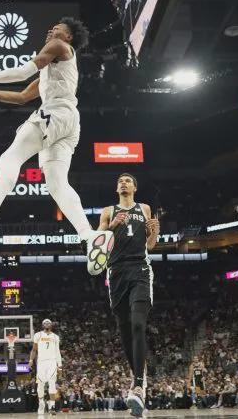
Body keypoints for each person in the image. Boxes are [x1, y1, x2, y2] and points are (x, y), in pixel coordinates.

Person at [0, 18, 114, 267]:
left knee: (10, 157)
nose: (51, 30)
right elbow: (21, 97)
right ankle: (90, 236)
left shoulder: (59, 46)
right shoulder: (55, 66)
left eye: (58, 28)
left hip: (55, 113)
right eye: (51, 27)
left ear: (69, 37)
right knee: (57, 185)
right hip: (69, 123)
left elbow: (22, 72)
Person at [96, 173, 159, 419]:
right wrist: (112, 225)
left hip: (140, 269)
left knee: (137, 324)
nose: (123, 183)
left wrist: (154, 233)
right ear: (116, 188)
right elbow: (98, 242)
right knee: (123, 327)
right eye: (120, 181)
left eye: (128, 181)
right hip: (116, 271)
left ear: (134, 187)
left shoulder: (144, 208)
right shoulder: (107, 211)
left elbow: (150, 245)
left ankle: (139, 384)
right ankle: (138, 379)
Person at [29, 319, 62, 414]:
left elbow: (57, 352)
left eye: (48, 323)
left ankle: (52, 407)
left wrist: (60, 366)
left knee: (52, 383)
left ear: (51, 325)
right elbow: (34, 350)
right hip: (41, 362)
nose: (47, 324)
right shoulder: (38, 335)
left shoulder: (55, 337)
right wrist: (31, 360)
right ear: (42, 325)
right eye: (45, 323)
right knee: (40, 384)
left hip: (52, 362)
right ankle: (41, 402)